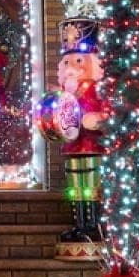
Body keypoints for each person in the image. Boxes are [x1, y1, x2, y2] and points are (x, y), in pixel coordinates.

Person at [38, 17, 108, 259]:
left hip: (90, 144)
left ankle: (93, 226)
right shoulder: (67, 92)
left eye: (78, 61)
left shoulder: (97, 89)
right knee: (76, 187)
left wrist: (97, 118)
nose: (71, 67)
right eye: (68, 61)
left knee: (91, 185)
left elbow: (107, 111)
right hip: (72, 145)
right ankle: (80, 224)